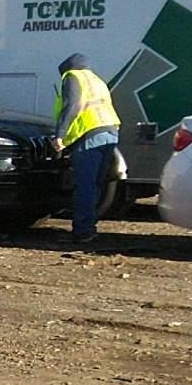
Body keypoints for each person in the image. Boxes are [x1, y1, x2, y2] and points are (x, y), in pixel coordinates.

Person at [52, 52, 121, 245]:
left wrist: (60, 135)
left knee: (85, 185)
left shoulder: (72, 77)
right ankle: (89, 227)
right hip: (110, 131)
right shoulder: (97, 80)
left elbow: (73, 105)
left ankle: (83, 232)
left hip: (89, 135)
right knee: (96, 184)